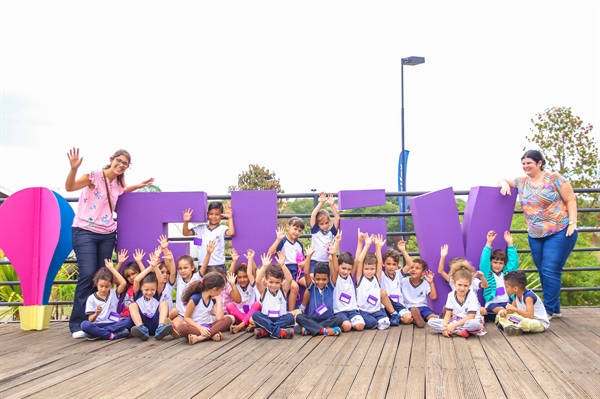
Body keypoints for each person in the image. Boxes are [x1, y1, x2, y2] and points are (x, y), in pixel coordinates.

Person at [65, 147, 153, 338]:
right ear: (111, 159)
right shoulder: (94, 176)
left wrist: (137, 186)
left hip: (107, 233)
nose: (121, 165)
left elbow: (121, 191)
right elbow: (70, 187)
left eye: (125, 164)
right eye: (119, 161)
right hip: (85, 231)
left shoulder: (118, 183)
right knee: (87, 274)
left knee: (103, 276)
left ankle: (98, 321)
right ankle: (78, 324)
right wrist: (73, 169)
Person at [499, 149, 578, 319]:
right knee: (543, 270)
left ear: (539, 163)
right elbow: (502, 179)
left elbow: (571, 200)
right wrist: (505, 184)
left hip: (560, 230)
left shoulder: (554, 178)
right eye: (524, 163)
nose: (526, 166)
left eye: (529, 163)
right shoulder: (521, 182)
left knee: (550, 269)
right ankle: (555, 308)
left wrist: (573, 222)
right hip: (535, 235)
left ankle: (547, 311)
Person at [295, 245, 343, 337]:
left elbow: (336, 271)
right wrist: (308, 256)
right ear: (314, 278)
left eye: (324, 279)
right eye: (318, 279)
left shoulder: (331, 286)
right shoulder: (311, 287)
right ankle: (324, 330)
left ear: (328, 279)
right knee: (299, 317)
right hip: (313, 319)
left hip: (328, 319)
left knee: (339, 319)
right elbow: (306, 272)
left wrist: (333, 255)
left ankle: (312, 329)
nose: (321, 282)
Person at [250, 252, 299, 339]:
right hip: (266, 319)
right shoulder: (263, 291)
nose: (274, 285)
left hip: (280, 319)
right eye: (271, 282)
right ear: (266, 280)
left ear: (281, 282)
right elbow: (257, 281)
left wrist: (283, 265)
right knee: (256, 315)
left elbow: (289, 279)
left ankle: (267, 331)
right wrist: (264, 267)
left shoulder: (283, 290)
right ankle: (279, 332)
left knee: (290, 317)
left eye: (277, 282)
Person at [80, 260, 133, 340]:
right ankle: (111, 335)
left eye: (107, 286)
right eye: (101, 286)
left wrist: (112, 269)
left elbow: (123, 283)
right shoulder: (91, 298)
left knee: (129, 321)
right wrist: (96, 314)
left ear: (111, 285)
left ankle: (97, 333)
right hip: (98, 324)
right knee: (84, 325)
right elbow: (90, 320)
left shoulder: (114, 293)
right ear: (96, 283)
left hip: (113, 323)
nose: (103, 289)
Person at [178, 272, 235, 344]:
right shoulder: (195, 298)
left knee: (229, 319)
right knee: (181, 328)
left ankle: (199, 338)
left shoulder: (212, 299)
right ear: (214, 289)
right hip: (196, 327)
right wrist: (200, 328)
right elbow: (186, 317)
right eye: (220, 290)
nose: (220, 293)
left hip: (209, 325)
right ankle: (212, 334)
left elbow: (220, 318)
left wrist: (218, 299)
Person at [427, 267, 484, 338]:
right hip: (455, 320)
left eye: (465, 286)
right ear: (454, 283)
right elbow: (448, 314)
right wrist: (445, 325)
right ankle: (458, 332)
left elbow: (471, 316)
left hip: (468, 321)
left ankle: (453, 330)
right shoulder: (451, 295)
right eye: (459, 285)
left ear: (469, 285)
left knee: (474, 324)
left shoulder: (471, 295)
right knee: (431, 321)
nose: (462, 288)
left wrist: (453, 325)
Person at [129, 250, 173, 340]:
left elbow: (160, 281)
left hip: (155, 323)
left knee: (164, 304)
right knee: (132, 305)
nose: (149, 292)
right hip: (143, 325)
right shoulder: (138, 293)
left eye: (152, 289)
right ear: (141, 288)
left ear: (156, 288)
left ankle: (161, 328)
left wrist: (155, 267)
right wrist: (150, 267)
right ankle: (141, 328)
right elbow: (137, 280)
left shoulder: (157, 293)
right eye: (146, 290)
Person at [182, 202, 235, 271]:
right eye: (211, 214)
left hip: (218, 263)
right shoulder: (200, 228)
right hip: (203, 264)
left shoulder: (222, 228)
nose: (213, 216)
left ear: (221, 216)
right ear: (207, 214)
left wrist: (230, 218)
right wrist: (186, 221)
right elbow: (186, 233)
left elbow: (231, 233)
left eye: (217, 214)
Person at [330, 231, 366, 332]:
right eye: (343, 268)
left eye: (349, 269)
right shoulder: (335, 276)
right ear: (339, 266)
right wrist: (336, 243)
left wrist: (360, 242)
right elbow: (332, 261)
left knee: (360, 326)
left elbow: (357, 258)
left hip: (352, 310)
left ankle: (352, 322)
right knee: (347, 327)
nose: (346, 271)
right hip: (339, 311)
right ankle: (336, 324)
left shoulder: (350, 275)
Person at [355, 233, 391, 330]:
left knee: (386, 323)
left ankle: (380, 319)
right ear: (363, 268)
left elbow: (379, 262)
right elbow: (359, 261)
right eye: (366, 269)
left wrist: (377, 247)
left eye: (372, 269)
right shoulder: (360, 277)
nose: (369, 271)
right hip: (364, 311)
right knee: (372, 323)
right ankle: (370, 322)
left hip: (377, 310)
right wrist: (367, 245)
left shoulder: (376, 277)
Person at [480, 231, 518, 321]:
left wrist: (510, 243)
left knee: (513, 307)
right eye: (495, 262)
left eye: (501, 263)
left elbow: (513, 263)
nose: (497, 265)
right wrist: (489, 242)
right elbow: (484, 261)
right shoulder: (487, 273)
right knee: (498, 309)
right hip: (492, 303)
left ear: (504, 264)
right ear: (491, 263)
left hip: (506, 302)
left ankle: (506, 317)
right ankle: (506, 316)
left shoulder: (507, 273)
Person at [496, 271, 550, 335]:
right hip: (524, 319)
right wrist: (505, 312)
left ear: (515, 288)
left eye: (507, 286)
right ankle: (514, 328)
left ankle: (511, 326)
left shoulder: (528, 297)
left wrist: (516, 309)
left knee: (525, 322)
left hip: (538, 323)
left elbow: (530, 316)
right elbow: (511, 311)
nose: (505, 288)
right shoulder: (517, 295)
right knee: (500, 312)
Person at [267, 219, 304, 311]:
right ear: (288, 227)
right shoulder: (283, 241)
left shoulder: (299, 244)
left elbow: (302, 259)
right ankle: (291, 312)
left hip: (298, 271)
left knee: (310, 283)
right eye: (295, 229)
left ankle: (303, 307)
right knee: (294, 287)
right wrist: (278, 239)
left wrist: (303, 263)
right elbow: (271, 252)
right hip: (285, 269)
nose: (296, 232)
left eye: (299, 231)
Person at [226, 249, 262, 334]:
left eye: (245, 277)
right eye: (239, 277)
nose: (242, 280)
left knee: (257, 304)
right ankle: (247, 324)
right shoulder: (235, 285)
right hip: (239, 316)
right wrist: (234, 261)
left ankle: (241, 326)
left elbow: (254, 271)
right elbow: (231, 274)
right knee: (229, 305)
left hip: (252, 315)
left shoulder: (252, 284)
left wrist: (251, 259)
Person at [400, 255, 438, 328]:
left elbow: (433, 297)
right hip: (409, 307)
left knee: (431, 316)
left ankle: (443, 318)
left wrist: (431, 282)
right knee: (409, 318)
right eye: (412, 267)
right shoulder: (403, 281)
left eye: (417, 268)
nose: (413, 270)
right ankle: (417, 319)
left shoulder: (426, 283)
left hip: (423, 307)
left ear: (423, 272)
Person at [379, 248, 413, 325]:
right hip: (386, 305)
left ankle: (395, 318)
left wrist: (403, 250)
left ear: (397, 265)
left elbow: (410, 264)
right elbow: (377, 263)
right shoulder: (381, 275)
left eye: (394, 264)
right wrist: (378, 248)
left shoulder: (398, 274)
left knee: (409, 319)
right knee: (382, 293)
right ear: (383, 263)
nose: (391, 267)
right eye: (388, 264)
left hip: (398, 304)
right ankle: (393, 315)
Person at [309, 192, 340, 276]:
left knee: (327, 280)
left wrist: (332, 205)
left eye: (326, 223)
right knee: (312, 280)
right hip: (315, 261)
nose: (325, 226)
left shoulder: (331, 232)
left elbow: (337, 219)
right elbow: (313, 215)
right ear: (318, 224)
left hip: (327, 262)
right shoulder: (315, 231)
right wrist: (321, 202)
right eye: (322, 224)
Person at [170, 254, 201, 335]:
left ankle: (185, 330)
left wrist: (208, 253)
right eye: (180, 268)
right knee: (175, 326)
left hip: (191, 316)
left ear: (192, 267)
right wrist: (170, 259)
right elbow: (172, 271)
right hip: (180, 314)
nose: (182, 271)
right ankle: (168, 326)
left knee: (183, 327)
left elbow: (204, 267)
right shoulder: (179, 278)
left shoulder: (196, 277)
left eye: (185, 268)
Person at [116, 248, 145, 318]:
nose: (131, 277)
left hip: (136, 316)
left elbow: (145, 275)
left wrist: (139, 262)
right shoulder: (125, 286)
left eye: (133, 273)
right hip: (124, 316)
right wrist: (120, 263)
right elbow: (113, 278)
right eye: (128, 276)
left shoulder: (142, 286)